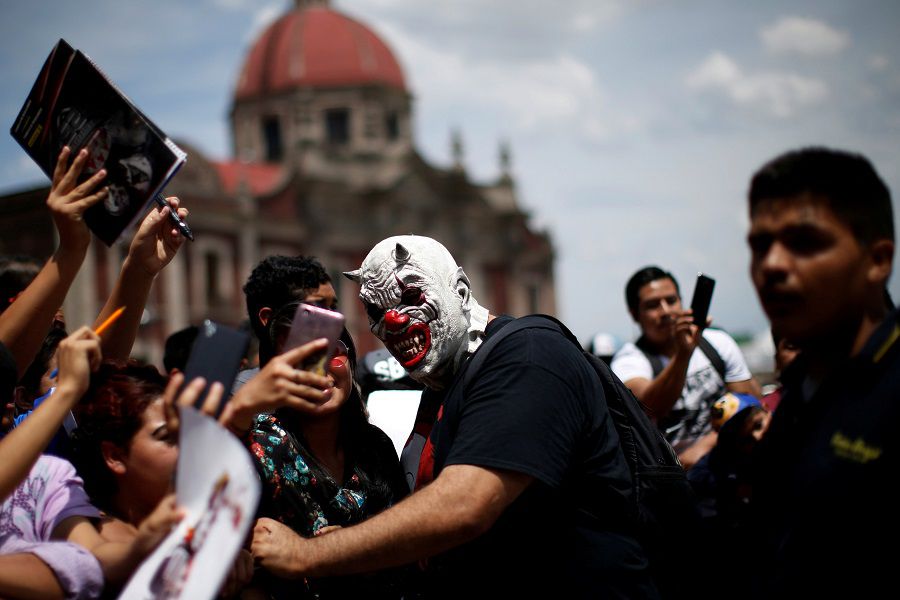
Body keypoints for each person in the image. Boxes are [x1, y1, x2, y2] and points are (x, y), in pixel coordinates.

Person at [250, 235, 659, 598]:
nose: (392, 321)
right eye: (377, 310)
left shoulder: (526, 359)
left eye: (411, 297)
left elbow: (465, 505)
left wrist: (309, 553)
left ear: (460, 290)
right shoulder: (444, 381)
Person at [741, 147, 898, 597]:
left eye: (805, 243)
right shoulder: (799, 392)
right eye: (760, 245)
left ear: (877, 260)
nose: (772, 265)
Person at [231, 255, 411, 599]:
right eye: (308, 358)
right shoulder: (256, 447)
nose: (324, 369)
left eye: (335, 351)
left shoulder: (375, 446)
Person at [610, 266, 761, 468]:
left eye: (671, 301)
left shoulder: (717, 342)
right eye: (653, 305)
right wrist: (684, 354)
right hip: (681, 484)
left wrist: (705, 446)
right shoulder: (629, 361)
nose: (665, 311)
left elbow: (750, 406)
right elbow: (651, 407)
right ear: (635, 314)